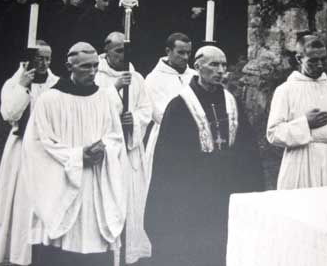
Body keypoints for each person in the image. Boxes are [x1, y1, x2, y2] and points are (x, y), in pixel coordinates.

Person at [145, 45, 263, 266]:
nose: (220, 70)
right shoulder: (179, 105)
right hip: (194, 193)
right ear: (198, 66)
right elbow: (168, 159)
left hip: (228, 188)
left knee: (224, 245)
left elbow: (248, 149)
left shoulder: (232, 102)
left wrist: (250, 185)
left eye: (224, 65)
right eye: (214, 64)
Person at [22, 42, 128, 266]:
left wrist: (104, 148)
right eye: (85, 67)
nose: (92, 73)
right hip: (62, 184)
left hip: (95, 186)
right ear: (69, 66)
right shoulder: (50, 100)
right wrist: (78, 156)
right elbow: (39, 144)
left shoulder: (104, 98)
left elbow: (115, 136)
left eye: (95, 67)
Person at [0, 41, 59, 265]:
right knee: (22, 204)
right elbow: (9, 114)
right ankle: (20, 255)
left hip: (49, 153)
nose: (44, 63)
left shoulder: (56, 84)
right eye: (40, 58)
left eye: (48, 59)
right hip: (22, 153)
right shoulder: (14, 82)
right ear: (29, 59)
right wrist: (23, 87)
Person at [94, 32, 152, 264]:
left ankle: (131, 254)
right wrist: (115, 88)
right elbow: (93, 106)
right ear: (106, 50)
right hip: (107, 151)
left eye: (125, 50)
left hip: (130, 150)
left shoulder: (136, 78)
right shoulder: (96, 75)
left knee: (132, 201)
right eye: (117, 50)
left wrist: (134, 121)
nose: (122, 55)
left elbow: (146, 108)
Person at [266, 35, 327, 189]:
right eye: (313, 60)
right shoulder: (285, 90)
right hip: (301, 161)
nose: (320, 65)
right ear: (299, 59)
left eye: (323, 59)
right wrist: (305, 123)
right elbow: (273, 133)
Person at [144, 32, 196, 184]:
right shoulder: (153, 79)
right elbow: (159, 113)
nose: (186, 57)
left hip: (196, 139)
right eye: (181, 52)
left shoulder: (194, 75)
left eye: (188, 53)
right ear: (168, 51)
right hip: (167, 138)